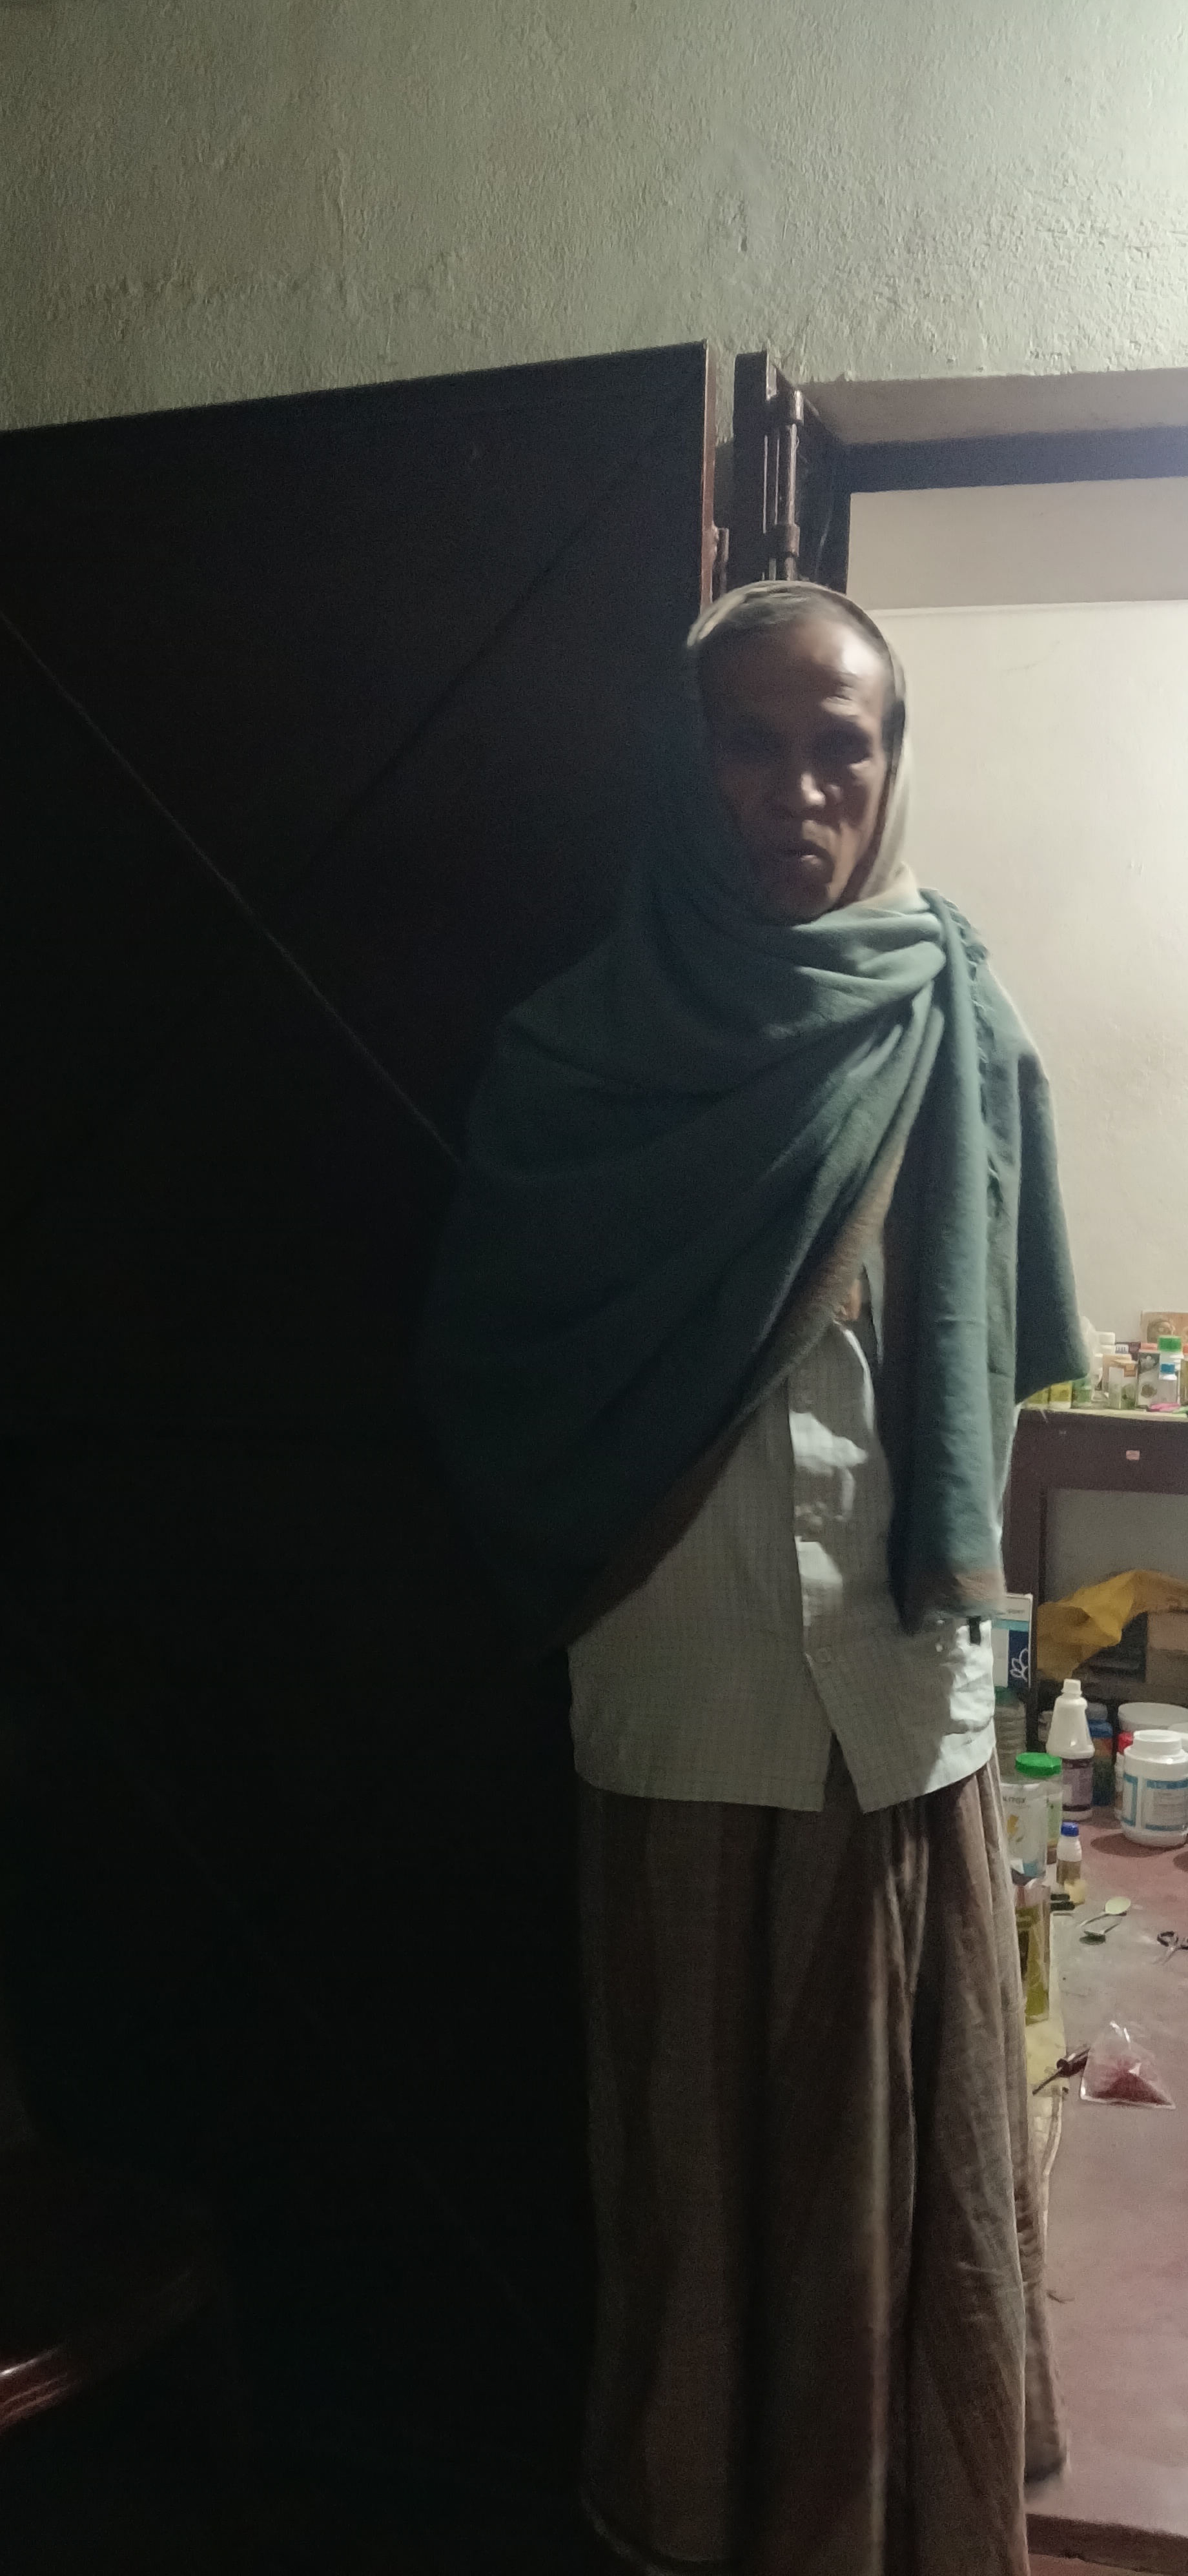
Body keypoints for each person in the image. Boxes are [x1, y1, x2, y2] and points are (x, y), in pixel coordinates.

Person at [421, 580, 1085, 2576]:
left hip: (897, 1697)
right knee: (694, 2180)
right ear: (678, 764)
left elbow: (990, 1354)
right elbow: (499, 1381)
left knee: (906, 2177)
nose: (798, 788)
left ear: (888, 767)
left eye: (840, 746)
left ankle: (906, 2528)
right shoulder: (572, 1059)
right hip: (682, 1688)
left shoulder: (955, 1018)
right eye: (749, 743)